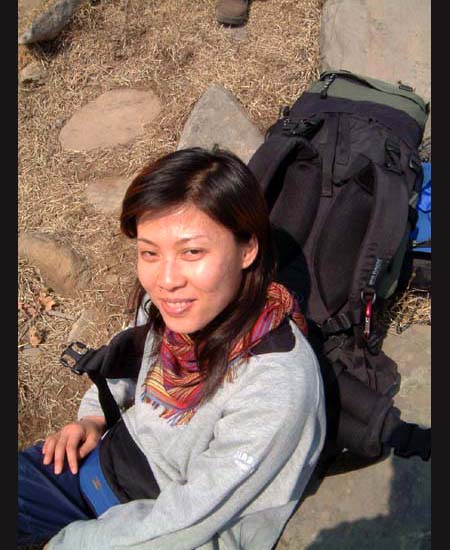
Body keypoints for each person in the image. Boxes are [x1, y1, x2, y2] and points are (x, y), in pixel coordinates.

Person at [18, 147, 326, 549]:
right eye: (149, 252)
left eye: (192, 252)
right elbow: (127, 357)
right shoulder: (171, 307)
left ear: (247, 249)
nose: (166, 280)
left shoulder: (274, 385)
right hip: (94, 468)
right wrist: (93, 418)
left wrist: (63, 544)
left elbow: (188, 519)